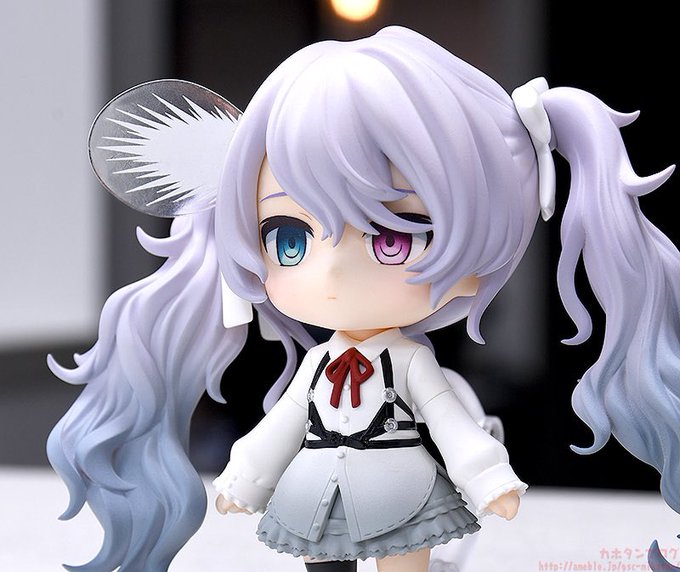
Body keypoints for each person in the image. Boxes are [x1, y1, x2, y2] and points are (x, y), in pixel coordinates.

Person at [48, 26, 680, 572]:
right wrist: (244, 478)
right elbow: (282, 425)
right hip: (313, 492)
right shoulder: (318, 365)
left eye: (393, 236)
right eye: (288, 238)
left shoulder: (409, 362)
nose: (331, 270)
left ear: (477, 255)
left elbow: (450, 424)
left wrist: (489, 480)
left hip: (401, 489)